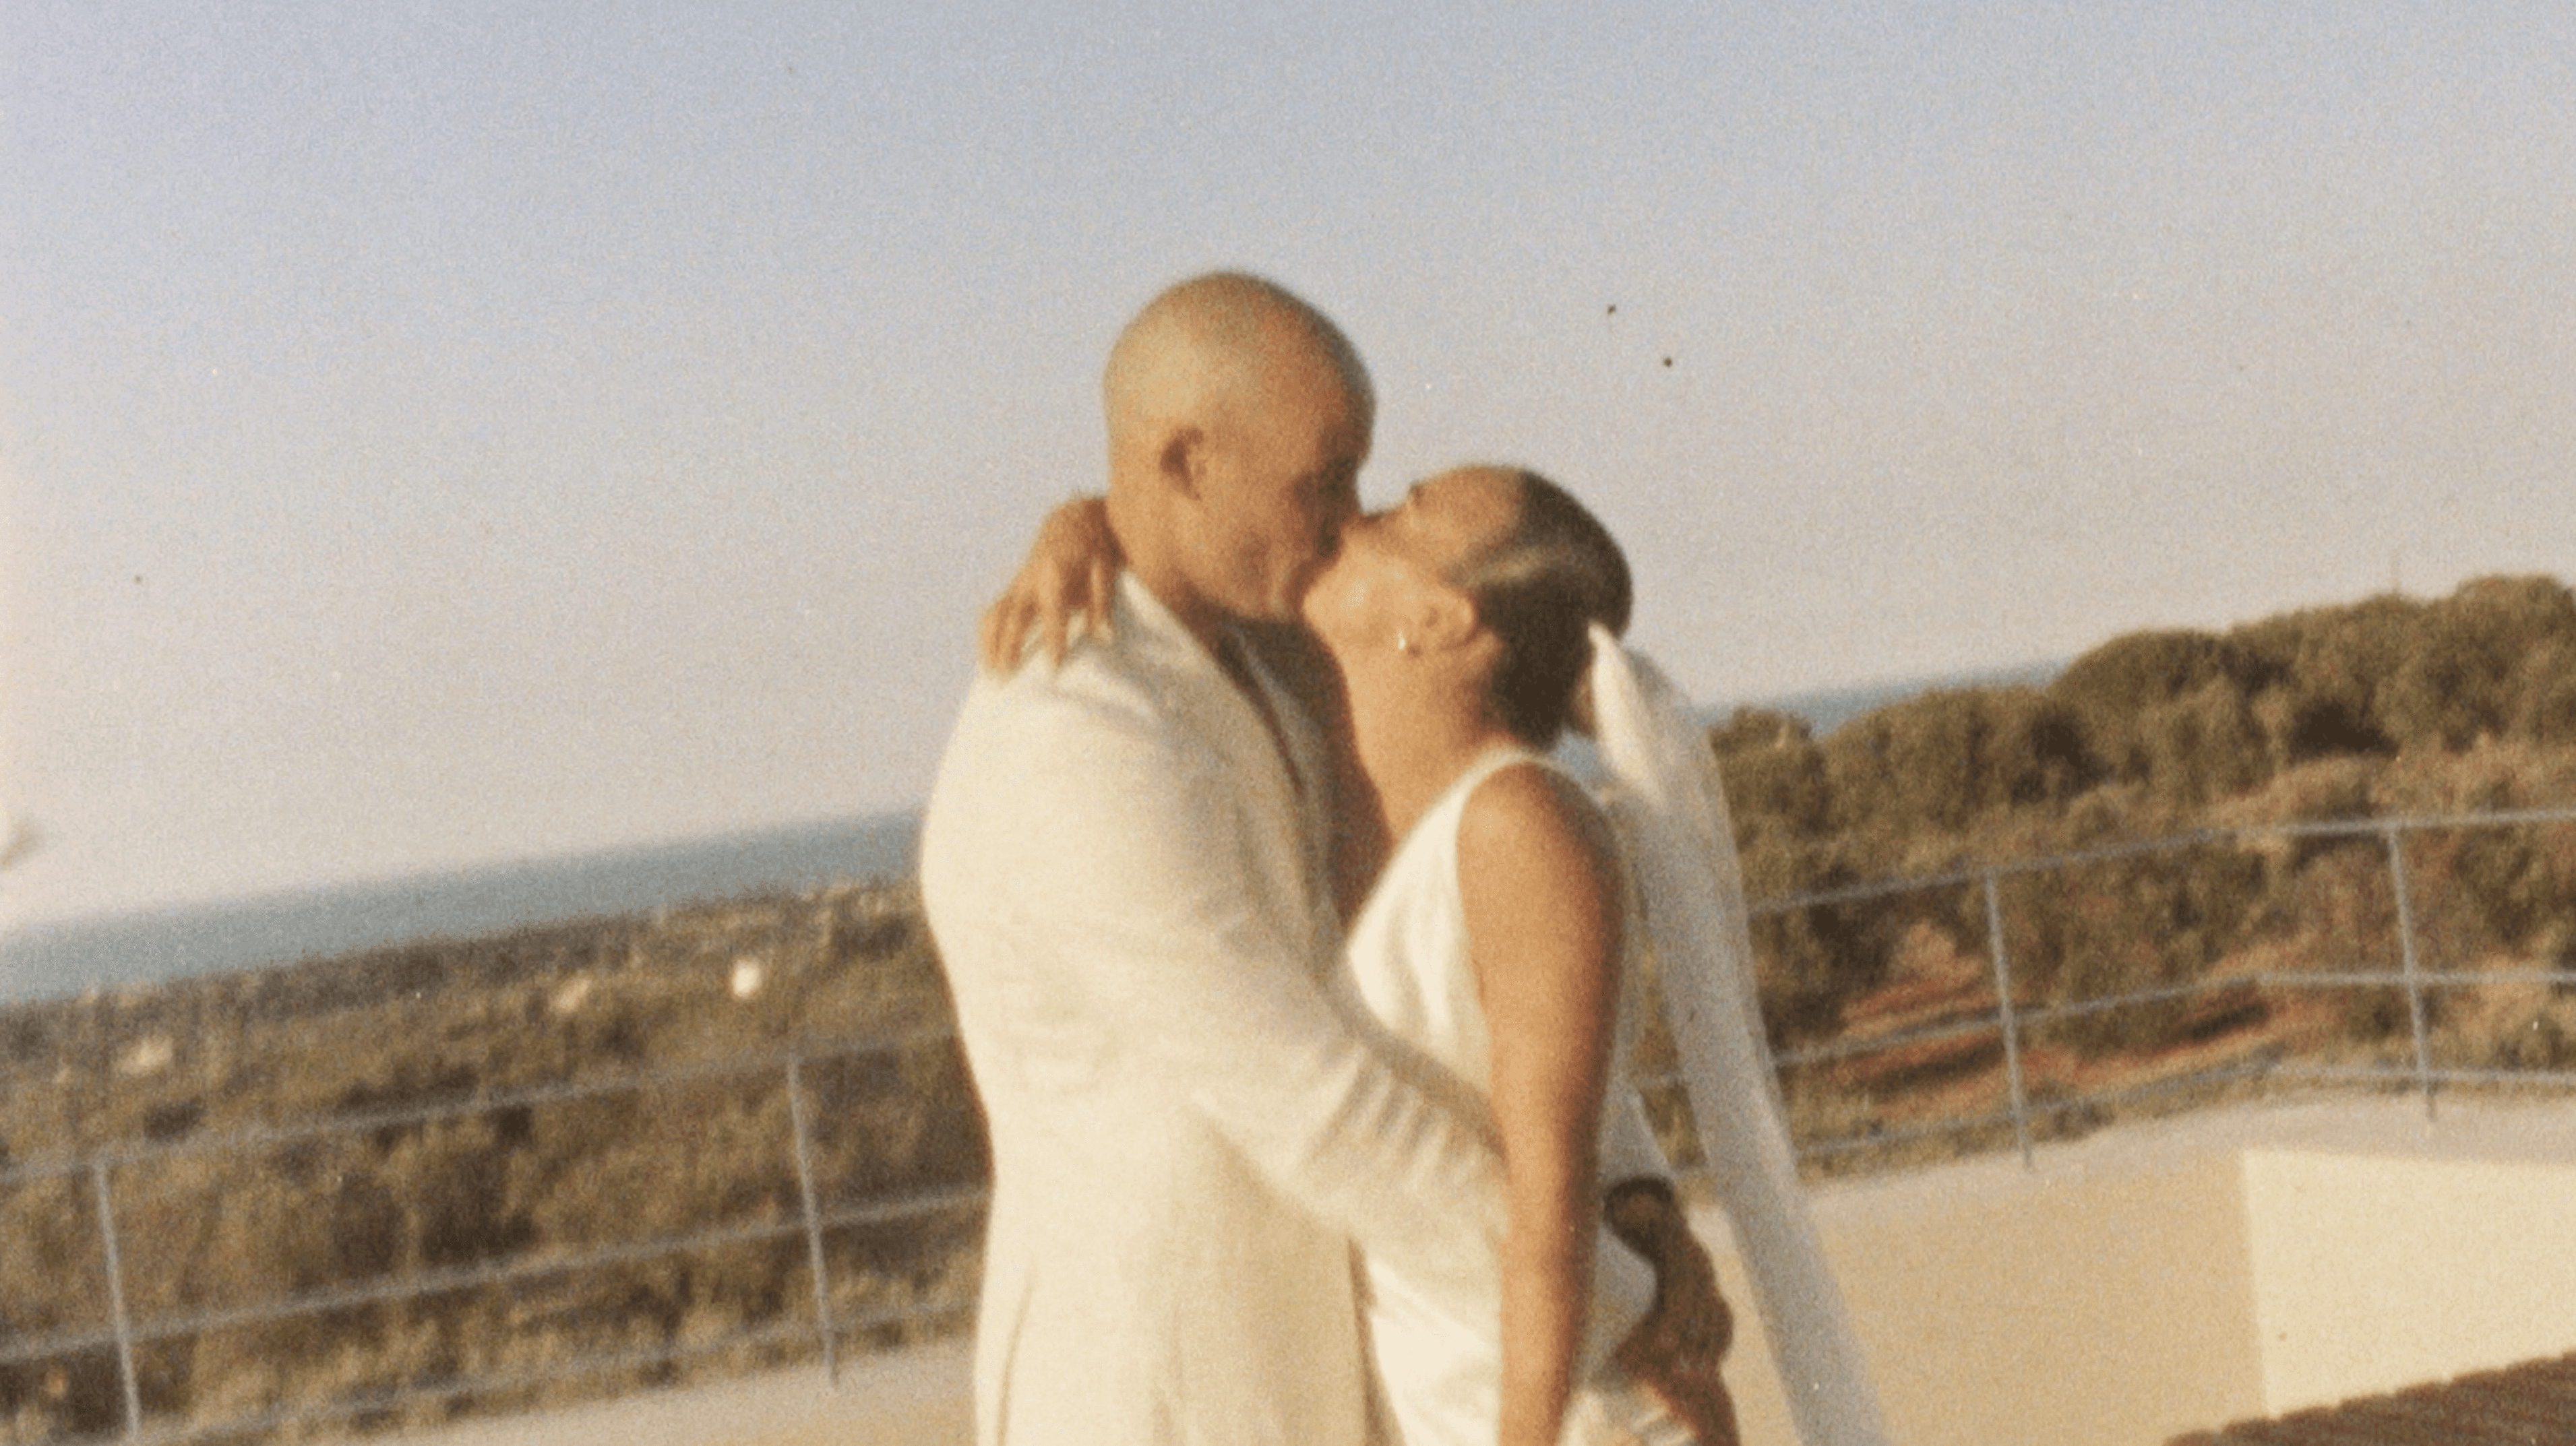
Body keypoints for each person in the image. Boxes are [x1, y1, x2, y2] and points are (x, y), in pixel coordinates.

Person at [919, 273, 1714, 1446]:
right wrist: (1626, 1309)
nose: (1348, 520)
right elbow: (1316, 1106)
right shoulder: (1073, 737)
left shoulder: (1283, 667)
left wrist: (1635, 1205)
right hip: (1162, 1397)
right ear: (1189, 463)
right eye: (1322, 481)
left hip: (1352, 1382)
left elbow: (1489, 998)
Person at [997, 461, 1893, 1446]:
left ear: (1438, 620)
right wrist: (1082, 522)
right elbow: (1190, 531)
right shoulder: (1331, 790)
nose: (1351, 515)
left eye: (1401, 512)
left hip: (1562, 1418)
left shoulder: (1522, 823)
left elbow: (1552, 1207)